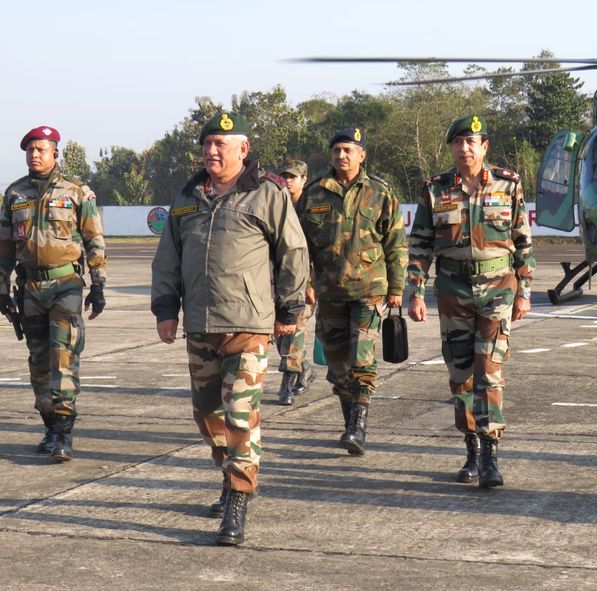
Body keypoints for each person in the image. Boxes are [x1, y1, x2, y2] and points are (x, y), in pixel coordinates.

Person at [151, 112, 308, 546]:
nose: (211, 150)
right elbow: (168, 257)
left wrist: (290, 308)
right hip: (201, 325)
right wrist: (165, 308)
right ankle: (228, 473)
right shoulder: (188, 197)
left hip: (248, 324)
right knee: (207, 415)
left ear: (244, 149)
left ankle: (238, 497)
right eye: (207, 143)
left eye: (221, 143)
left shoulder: (267, 193)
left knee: (240, 413)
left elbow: (293, 252)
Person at [407, 115, 535, 488]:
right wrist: (415, 291)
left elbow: (522, 240)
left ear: (484, 147)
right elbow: (420, 244)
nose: (464, 148)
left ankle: (491, 454)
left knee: (489, 369)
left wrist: (525, 291)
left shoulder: (508, 185)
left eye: (471, 142)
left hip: (498, 287)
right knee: (460, 373)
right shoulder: (435, 189)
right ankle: (472, 450)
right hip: (453, 290)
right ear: (452, 147)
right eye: (458, 142)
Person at [0, 125, 107, 462]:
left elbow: (94, 239)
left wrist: (98, 284)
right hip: (29, 288)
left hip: (65, 286)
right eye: (30, 150)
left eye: (41, 149)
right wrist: (2, 290)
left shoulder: (76, 191)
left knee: (63, 356)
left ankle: (64, 431)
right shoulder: (15, 193)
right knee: (39, 361)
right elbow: (4, 245)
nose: (34, 155)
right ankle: (50, 425)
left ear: (55, 153)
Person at [298, 127, 407, 456]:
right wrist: (305, 284)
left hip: (369, 290)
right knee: (337, 366)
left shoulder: (380, 192)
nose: (341, 155)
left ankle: (358, 426)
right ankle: (350, 424)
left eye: (348, 150)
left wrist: (397, 287)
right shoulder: (314, 193)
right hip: (329, 292)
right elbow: (299, 247)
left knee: (362, 359)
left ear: (362, 155)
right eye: (337, 150)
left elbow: (396, 243)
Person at [276, 158, 316, 405]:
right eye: (284, 176)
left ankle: (287, 385)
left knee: (294, 331)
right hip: (279, 281)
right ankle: (304, 369)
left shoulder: (312, 209)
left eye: (292, 177)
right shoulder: (277, 205)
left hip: (303, 282)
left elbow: (317, 250)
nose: (287, 181)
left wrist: (312, 283)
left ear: (304, 179)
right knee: (281, 334)